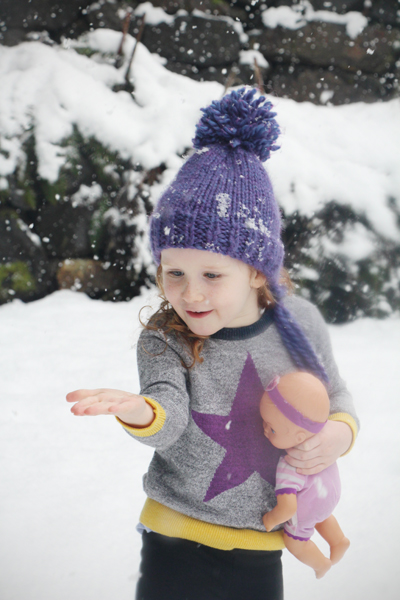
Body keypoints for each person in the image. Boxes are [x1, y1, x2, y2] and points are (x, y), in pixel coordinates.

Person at [67, 88, 359, 600]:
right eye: (173, 272)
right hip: (175, 531)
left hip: (261, 539)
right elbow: (170, 417)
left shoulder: (299, 324)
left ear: (255, 271)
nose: (190, 293)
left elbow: (335, 396)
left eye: (211, 274)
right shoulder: (164, 339)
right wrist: (140, 410)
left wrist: (339, 433)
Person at [260, 371, 350, 579]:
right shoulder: (321, 441)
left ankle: (321, 564)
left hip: (307, 506)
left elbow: (288, 507)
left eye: (272, 429)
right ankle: (338, 541)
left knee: (295, 540)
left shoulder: (290, 464)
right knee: (322, 516)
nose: (264, 428)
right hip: (328, 494)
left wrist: (270, 519)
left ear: (299, 436)